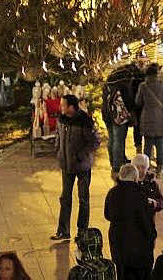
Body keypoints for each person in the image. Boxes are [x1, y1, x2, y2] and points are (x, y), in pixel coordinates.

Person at [53, 94, 99, 241]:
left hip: (82, 166)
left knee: (83, 199)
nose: (61, 107)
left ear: (71, 107)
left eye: (63, 105)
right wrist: (58, 150)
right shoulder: (62, 119)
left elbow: (94, 142)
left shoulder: (84, 121)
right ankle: (63, 230)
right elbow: (58, 136)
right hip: (66, 165)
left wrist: (81, 155)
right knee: (65, 197)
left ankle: (82, 231)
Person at [104, 164, 155, 280]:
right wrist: (152, 235)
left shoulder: (112, 193)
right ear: (135, 178)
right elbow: (145, 221)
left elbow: (107, 215)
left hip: (118, 242)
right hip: (138, 245)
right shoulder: (140, 195)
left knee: (122, 274)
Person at [101, 62, 141, 173]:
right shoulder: (124, 83)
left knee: (112, 138)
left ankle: (114, 160)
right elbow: (128, 100)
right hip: (118, 114)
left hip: (106, 112)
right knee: (119, 139)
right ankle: (118, 165)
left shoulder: (109, 81)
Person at [135, 66, 163, 174]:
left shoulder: (143, 86)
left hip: (147, 118)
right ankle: (159, 168)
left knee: (147, 145)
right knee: (160, 146)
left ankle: (146, 168)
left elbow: (138, 102)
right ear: (157, 74)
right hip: (161, 118)